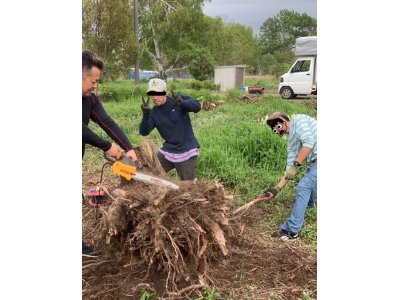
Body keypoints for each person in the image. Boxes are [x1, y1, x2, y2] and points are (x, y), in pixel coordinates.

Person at [82, 49, 138, 257]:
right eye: (93, 81)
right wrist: (107, 146)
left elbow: (106, 122)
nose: (95, 86)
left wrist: (128, 147)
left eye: (97, 81)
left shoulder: (90, 100)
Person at [263, 112, 317, 241]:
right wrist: (276, 189)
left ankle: (291, 231)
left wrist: (296, 164)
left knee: (304, 187)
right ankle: (311, 207)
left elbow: (309, 142)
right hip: (314, 162)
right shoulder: (292, 141)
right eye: (274, 129)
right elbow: (290, 169)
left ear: (283, 120)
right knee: (311, 186)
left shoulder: (299, 120)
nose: (276, 130)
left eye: (277, 126)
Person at [139, 78, 201, 180]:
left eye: (157, 93)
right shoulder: (154, 112)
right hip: (168, 151)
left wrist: (183, 103)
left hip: (186, 150)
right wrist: (146, 115)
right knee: (151, 174)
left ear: (165, 92)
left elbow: (197, 107)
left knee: (187, 185)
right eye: (151, 94)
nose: (154, 97)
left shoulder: (177, 99)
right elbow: (144, 132)